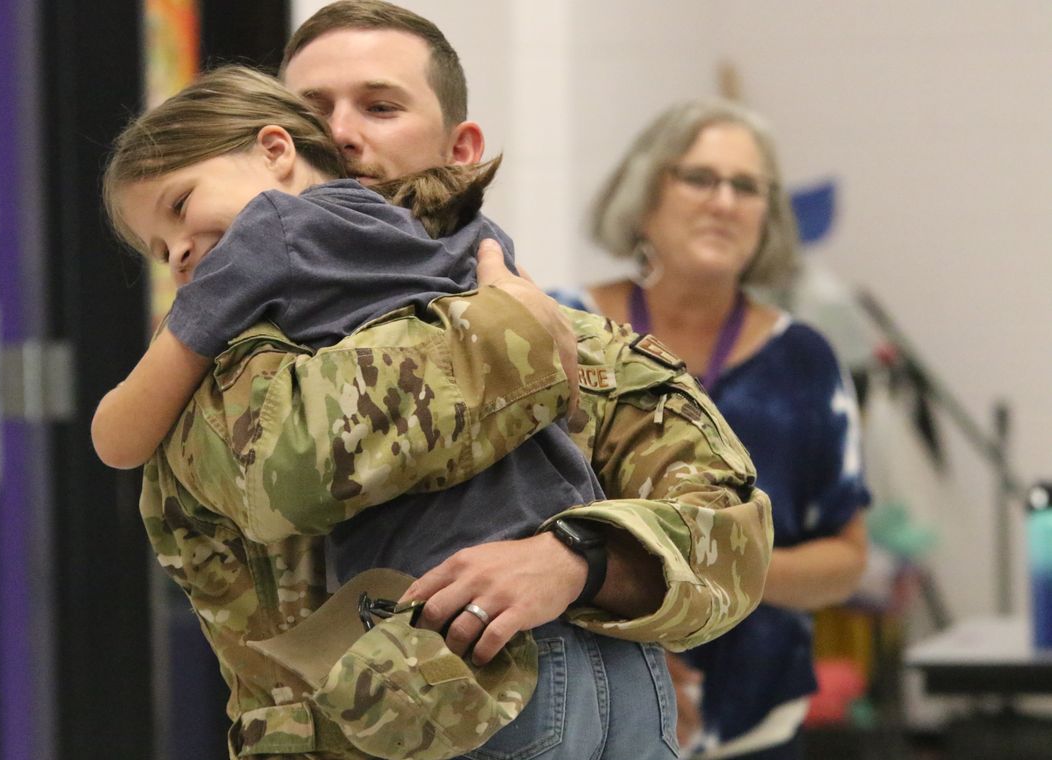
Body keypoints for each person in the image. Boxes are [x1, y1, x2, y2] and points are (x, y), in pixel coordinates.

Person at [128, 2, 775, 757]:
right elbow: (294, 468)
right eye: (311, 113)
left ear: (460, 150)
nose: (340, 134)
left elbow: (732, 535)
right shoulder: (229, 364)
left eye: (380, 105)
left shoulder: (583, 344)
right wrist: (509, 336)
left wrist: (578, 558)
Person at [571, 99, 870, 759]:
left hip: (756, 726)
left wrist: (706, 578)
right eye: (700, 178)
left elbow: (847, 558)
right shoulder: (566, 330)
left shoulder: (804, 360)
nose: (724, 202)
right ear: (645, 194)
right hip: (593, 715)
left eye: (746, 187)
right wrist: (644, 628)